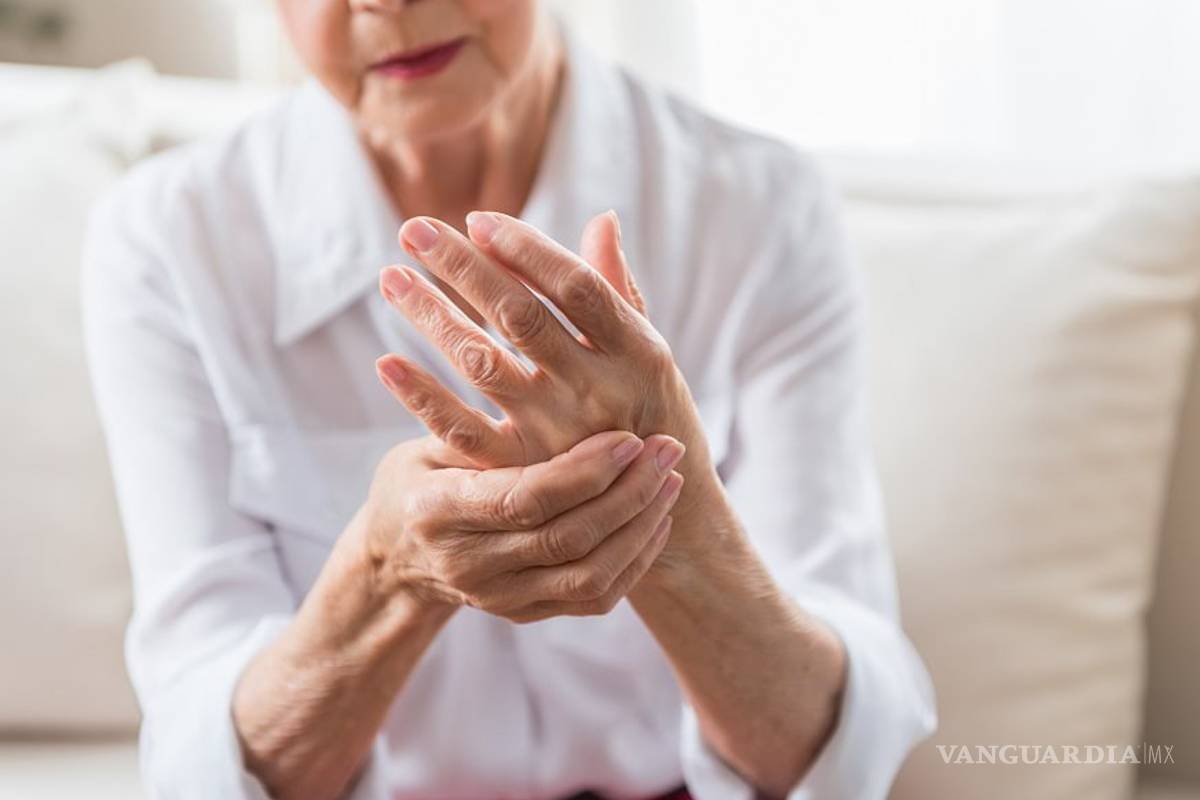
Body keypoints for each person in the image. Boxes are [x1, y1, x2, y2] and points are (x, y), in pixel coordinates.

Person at [81, 1, 935, 798]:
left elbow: (836, 750)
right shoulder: (172, 242)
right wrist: (384, 574)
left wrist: (673, 514)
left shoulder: (757, 208)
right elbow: (203, 761)